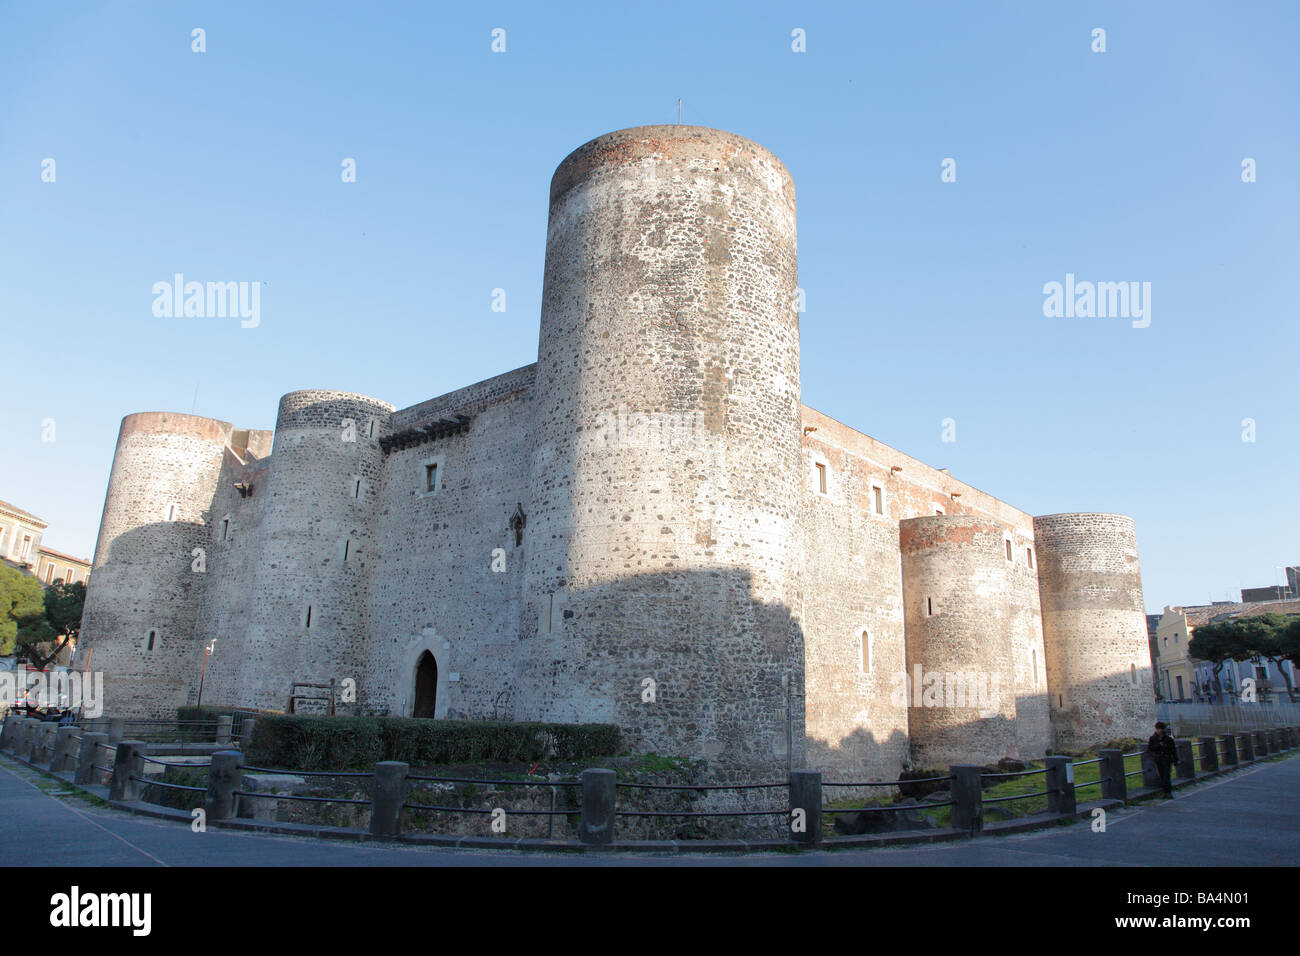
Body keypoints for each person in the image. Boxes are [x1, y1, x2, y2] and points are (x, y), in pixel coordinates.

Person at [1147, 721, 1177, 798]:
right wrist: (1159, 745)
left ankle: (1168, 792)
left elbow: (1173, 750)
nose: (1160, 730)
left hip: (1167, 759)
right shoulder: (1153, 738)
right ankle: (1165, 792)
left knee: (1166, 776)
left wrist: (1175, 759)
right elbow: (1150, 748)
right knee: (1162, 775)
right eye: (1159, 729)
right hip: (1158, 759)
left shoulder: (1168, 739)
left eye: (1161, 729)